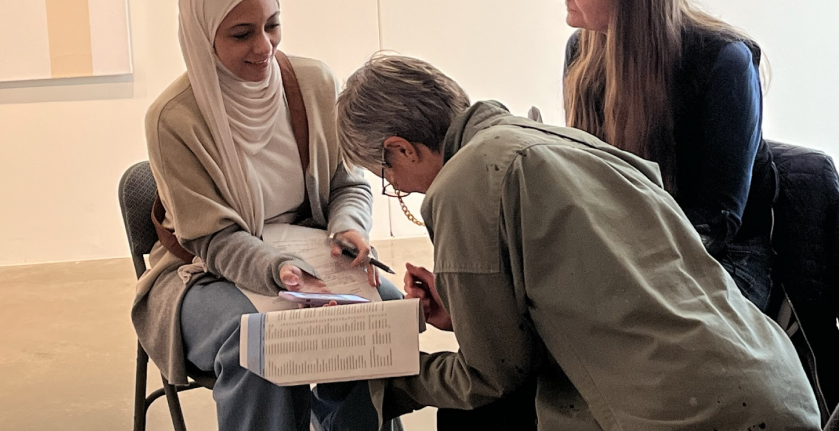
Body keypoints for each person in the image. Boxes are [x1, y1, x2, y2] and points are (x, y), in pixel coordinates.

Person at [335, 53, 820, 431]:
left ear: (399, 148)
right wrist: (462, 311)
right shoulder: (555, 139)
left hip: (684, 411)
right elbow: (603, 297)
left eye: (388, 177)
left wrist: (385, 370)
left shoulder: (461, 184)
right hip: (773, 380)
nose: (400, 189)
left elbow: (492, 377)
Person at [131, 0, 401, 431]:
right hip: (207, 271)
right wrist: (279, 270)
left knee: (383, 319)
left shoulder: (315, 83)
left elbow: (348, 183)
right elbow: (210, 241)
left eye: (272, 26)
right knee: (258, 347)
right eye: (241, 34)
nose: (264, 47)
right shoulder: (173, 118)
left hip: (310, 252)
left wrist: (347, 227)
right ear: (202, 34)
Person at [556, 0, 777, 313]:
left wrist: (625, 264)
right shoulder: (582, 53)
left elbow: (718, 219)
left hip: (720, 256)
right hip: (631, 243)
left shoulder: (723, 61)